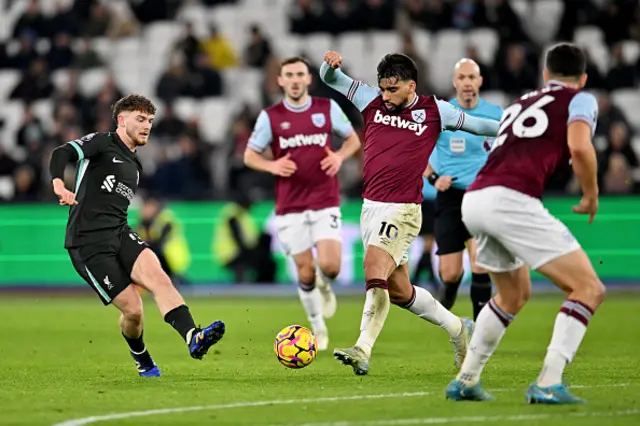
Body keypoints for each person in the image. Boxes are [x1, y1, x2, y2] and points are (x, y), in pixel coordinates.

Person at [320, 51, 500, 375]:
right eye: (383, 89)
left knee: (373, 266)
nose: (385, 96)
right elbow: (330, 79)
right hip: (370, 207)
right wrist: (328, 66)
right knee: (401, 292)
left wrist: (515, 129)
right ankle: (459, 329)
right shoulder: (370, 99)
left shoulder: (435, 110)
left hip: (403, 209)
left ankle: (362, 347)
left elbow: (479, 126)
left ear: (411, 85)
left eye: (392, 89)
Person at [445, 43, 605, 404]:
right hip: (510, 199)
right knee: (588, 289)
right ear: (582, 78)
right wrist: (591, 194)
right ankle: (549, 381)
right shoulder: (580, 99)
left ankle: (466, 379)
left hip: (475, 199)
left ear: (545, 75)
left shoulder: (519, 102)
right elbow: (580, 146)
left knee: (513, 295)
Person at [48, 94, 225, 377]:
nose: (146, 126)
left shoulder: (136, 165)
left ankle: (193, 335)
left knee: (159, 277)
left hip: (120, 232)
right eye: (140, 119)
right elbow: (61, 153)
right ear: (122, 120)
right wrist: (58, 183)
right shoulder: (103, 142)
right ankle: (142, 359)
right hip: (87, 242)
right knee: (134, 310)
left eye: (150, 121)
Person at [244, 56, 362, 350]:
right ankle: (318, 327)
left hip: (325, 199)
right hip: (290, 205)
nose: (295, 79)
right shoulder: (270, 117)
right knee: (305, 271)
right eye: (289, 75)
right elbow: (250, 155)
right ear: (280, 81)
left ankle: (326, 283)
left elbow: (352, 140)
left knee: (331, 267)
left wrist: (339, 156)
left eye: (300, 74)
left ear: (309, 79)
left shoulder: (327, 108)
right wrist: (272, 167)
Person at [424, 58, 503, 320]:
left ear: (480, 81)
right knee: (450, 272)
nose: (467, 83)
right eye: (462, 78)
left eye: (472, 77)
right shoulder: (443, 113)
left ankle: (482, 332)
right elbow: (418, 154)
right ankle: (448, 294)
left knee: (480, 265)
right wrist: (434, 178)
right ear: (455, 82)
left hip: (482, 197)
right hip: (450, 198)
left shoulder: (496, 114)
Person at [411, 176, 437, 291]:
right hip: (426, 201)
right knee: (428, 242)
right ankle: (430, 279)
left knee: (428, 244)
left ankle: (416, 279)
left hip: (427, 199)